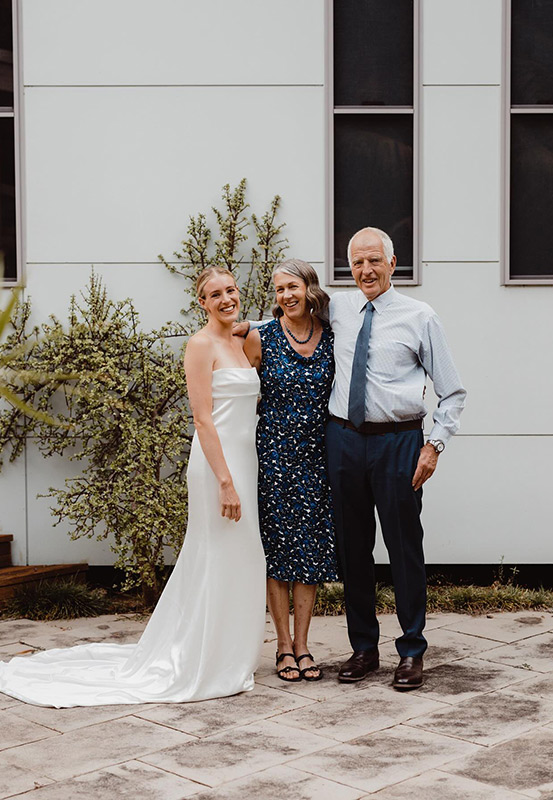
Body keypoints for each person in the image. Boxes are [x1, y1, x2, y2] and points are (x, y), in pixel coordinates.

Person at [0, 266, 266, 707]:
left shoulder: (243, 341)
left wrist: (255, 325)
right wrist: (225, 482)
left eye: (231, 291)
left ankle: (229, 657)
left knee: (242, 557)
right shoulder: (199, 346)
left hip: (247, 462)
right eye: (214, 294)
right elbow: (203, 420)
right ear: (201, 302)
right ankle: (202, 661)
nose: (225, 299)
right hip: (217, 469)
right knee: (214, 557)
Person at [327, 227, 466, 690]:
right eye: (357, 263)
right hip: (344, 440)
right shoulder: (338, 308)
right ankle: (364, 647)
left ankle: (411, 651)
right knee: (353, 547)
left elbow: (452, 391)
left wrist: (435, 444)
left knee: (404, 548)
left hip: (399, 443)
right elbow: (289, 318)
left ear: (392, 262)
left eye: (374, 261)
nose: (365, 271)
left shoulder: (419, 316)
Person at [244, 259, 337, 683]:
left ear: (308, 288)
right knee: (279, 552)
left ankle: (303, 644)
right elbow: (241, 389)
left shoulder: (332, 336)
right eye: (279, 289)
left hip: (318, 457)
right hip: (274, 457)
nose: (286, 295)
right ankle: (282, 646)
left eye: (292, 286)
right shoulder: (260, 337)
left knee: (311, 552)